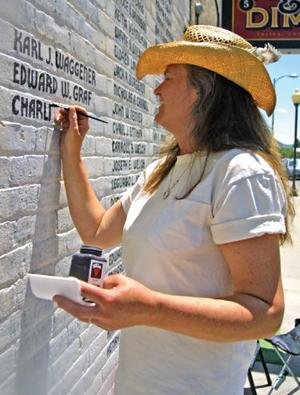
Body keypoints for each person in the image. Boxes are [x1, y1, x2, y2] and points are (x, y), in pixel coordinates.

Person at [55, 25, 294, 395]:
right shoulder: (160, 172)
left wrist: (148, 307)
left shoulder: (241, 173)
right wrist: (72, 149)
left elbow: (266, 314)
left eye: (169, 77)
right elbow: (98, 230)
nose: (157, 89)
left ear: (204, 91)